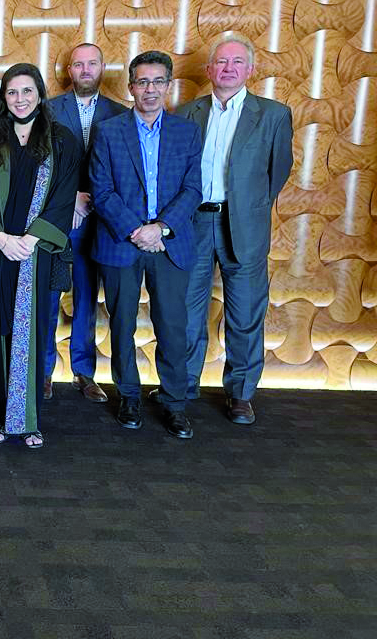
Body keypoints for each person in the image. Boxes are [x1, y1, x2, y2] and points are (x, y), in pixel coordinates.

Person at [176, 35, 292, 425]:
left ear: (250, 70)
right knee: (187, 310)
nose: (228, 68)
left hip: (244, 225)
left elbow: (277, 174)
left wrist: (247, 207)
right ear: (209, 70)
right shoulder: (187, 113)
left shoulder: (273, 115)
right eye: (221, 62)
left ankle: (241, 394)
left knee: (245, 314)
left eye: (237, 62)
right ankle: (185, 383)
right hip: (194, 223)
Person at [89, 51, 202, 439]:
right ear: (131, 87)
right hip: (123, 242)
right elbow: (101, 191)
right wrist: (137, 229)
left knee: (172, 327)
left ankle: (174, 402)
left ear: (168, 86)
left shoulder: (187, 132)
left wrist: (161, 228)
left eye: (157, 82)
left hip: (170, 244)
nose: (150, 90)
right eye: (142, 82)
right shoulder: (108, 130)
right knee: (121, 326)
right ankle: (130, 397)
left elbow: (193, 189)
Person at [0, 63, 81, 449]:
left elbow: (64, 196)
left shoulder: (60, 141)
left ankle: (28, 418)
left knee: (32, 329)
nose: (20, 99)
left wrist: (31, 240)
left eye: (27, 91)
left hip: (36, 252)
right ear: (4, 97)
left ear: (40, 94)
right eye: (12, 92)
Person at [44, 44, 127, 402]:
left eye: (92, 63)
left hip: (100, 222)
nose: (85, 69)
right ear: (70, 70)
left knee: (87, 299)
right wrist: (70, 199)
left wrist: (92, 199)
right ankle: (43, 371)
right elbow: (39, 165)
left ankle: (84, 371)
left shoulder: (121, 113)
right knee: (48, 298)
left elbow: (125, 171)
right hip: (59, 222)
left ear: (102, 67)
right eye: (78, 64)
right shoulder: (47, 110)